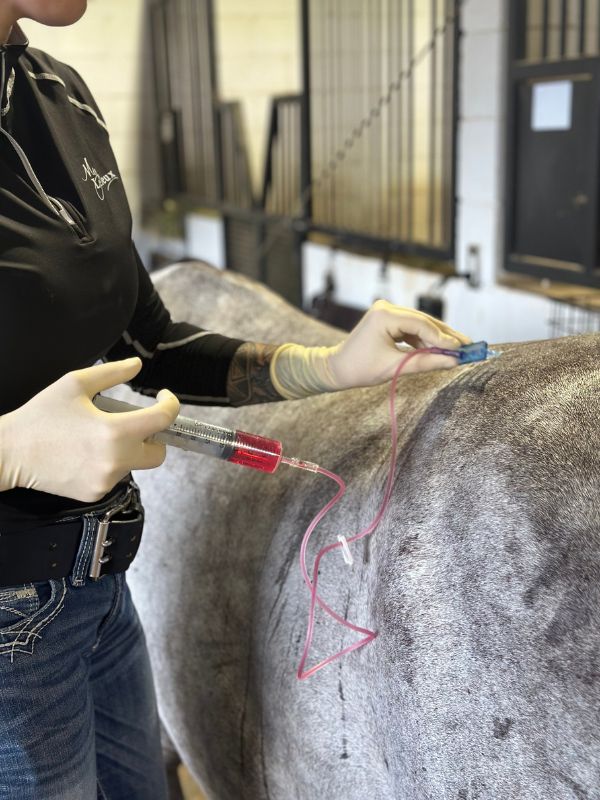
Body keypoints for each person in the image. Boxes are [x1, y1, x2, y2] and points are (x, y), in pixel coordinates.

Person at [0, 1, 471, 797]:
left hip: (97, 593)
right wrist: (9, 453)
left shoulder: (59, 91)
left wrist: (329, 365)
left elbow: (145, 345)